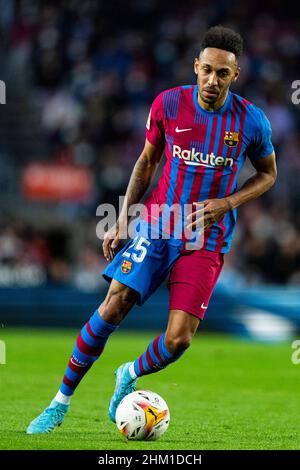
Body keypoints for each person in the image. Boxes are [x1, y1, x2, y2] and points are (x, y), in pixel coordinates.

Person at [26, 25, 277, 434]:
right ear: (196, 66)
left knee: (178, 340)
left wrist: (227, 203)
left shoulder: (252, 121)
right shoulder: (168, 105)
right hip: (160, 224)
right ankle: (59, 403)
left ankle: (129, 371)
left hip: (206, 236)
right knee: (112, 306)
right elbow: (147, 162)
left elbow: (268, 174)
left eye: (223, 74)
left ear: (236, 75)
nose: (213, 80)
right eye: (208, 70)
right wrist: (124, 217)